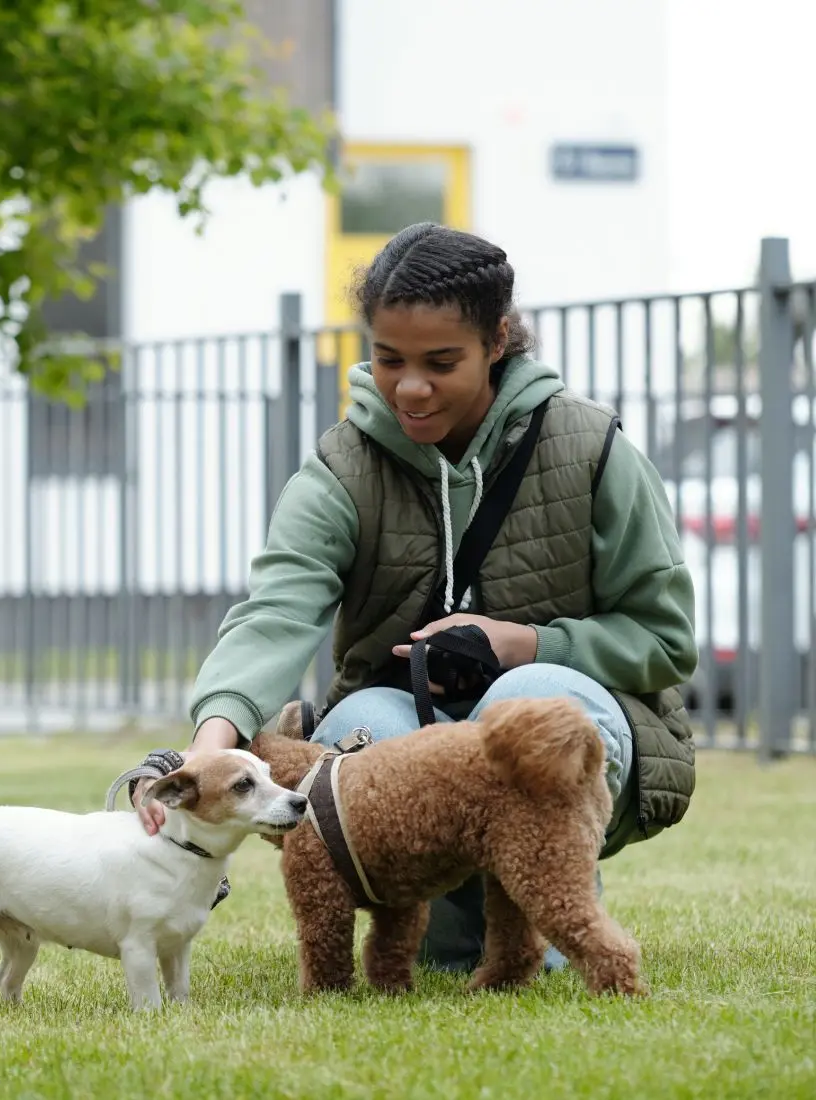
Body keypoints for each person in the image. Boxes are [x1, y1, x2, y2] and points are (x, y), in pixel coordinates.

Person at [131, 221, 698, 973]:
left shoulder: (593, 448)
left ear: (497, 340)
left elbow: (666, 639)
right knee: (364, 722)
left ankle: (549, 899)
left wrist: (522, 643)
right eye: (388, 358)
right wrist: (211, 743)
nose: (410, 386)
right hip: (404, 725)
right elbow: (277, 610)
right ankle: (457, 929)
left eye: (441, 362)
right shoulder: (343, 465)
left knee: (528, 697)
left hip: (580, 724)